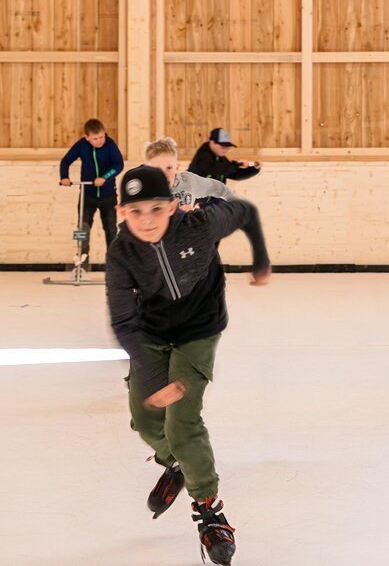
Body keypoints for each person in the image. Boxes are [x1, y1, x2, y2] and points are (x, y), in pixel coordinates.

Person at [106, 165, 270, 564]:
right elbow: (124, 321)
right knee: (146, 421)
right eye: (135, 211)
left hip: (199, 330)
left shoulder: (200, 224)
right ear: (121, 212)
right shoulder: (122, 251)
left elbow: (245, 211)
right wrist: (150, 373)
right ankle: (176, 464)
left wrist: (260, 260)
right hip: (152, 334)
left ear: (173, 205)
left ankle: (210, 512)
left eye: (156, 209)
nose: (146, 220)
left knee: (182, 422)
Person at [58, 118, 124, 264]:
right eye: (95, 139)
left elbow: (118, 164)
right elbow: (66, 161)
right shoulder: (81, 146)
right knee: (82, 227)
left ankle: (113, 263)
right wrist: (64, 177)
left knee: (111, 229)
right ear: (87, 138)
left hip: (108, 196)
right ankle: (82, 257)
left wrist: (105, 177)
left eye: (101, 137)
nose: (100, 141)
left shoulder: (110, 144)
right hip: (88, 195)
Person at [145, 137, 237, 209]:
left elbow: (218, 188)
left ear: (177, 168)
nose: (164, 174)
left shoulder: (188, 182)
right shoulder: (144, 189)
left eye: (169, 168)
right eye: (157, 169)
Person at [186, 128, 262, 192]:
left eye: (227, 147)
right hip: (193, 202)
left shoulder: (221, 158)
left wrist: (254, 169)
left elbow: (234, 173)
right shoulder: (202, 157)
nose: (225, 150)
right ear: (212, 143)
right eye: (223, 147)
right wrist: (238, 165)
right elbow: (215, 169)